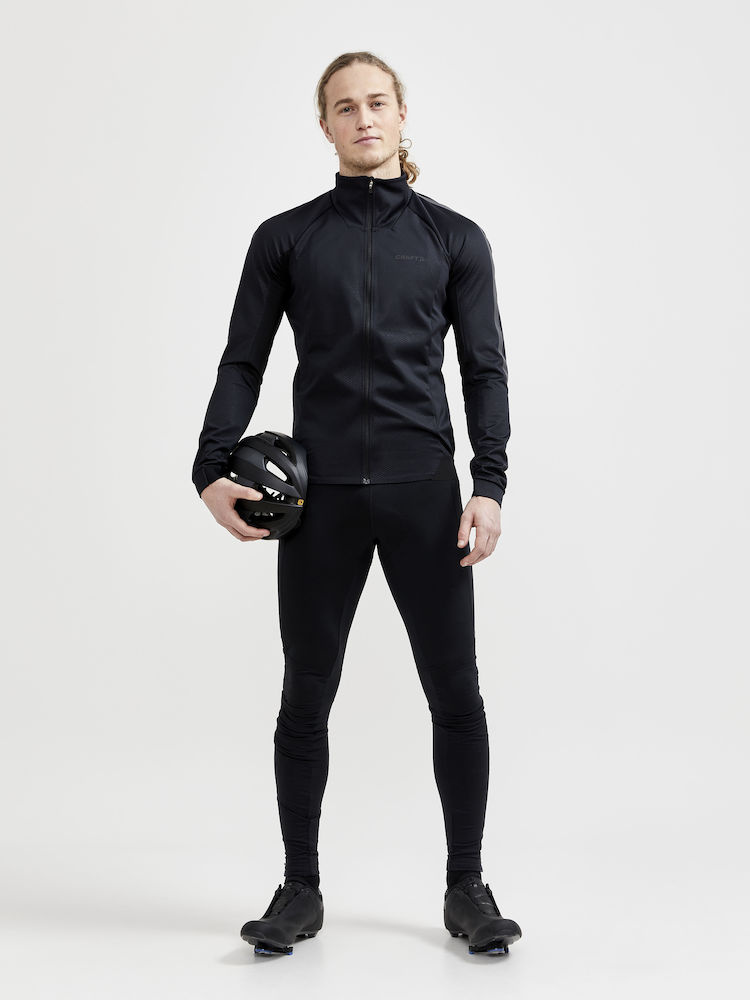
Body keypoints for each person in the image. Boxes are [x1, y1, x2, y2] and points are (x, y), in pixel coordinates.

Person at [192, 50, 522, 956]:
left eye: (377, 102)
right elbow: (242, 360)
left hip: (425, 496)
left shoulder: (455, 238)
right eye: (345, 107)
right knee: (306, 694)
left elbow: (485, 368)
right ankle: (299, 888)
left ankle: (467, 888)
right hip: (322, 502)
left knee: (455, 692)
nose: (364, 118)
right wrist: (209, 468)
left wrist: (489, 485)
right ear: (326, 125)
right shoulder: (286, 238)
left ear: (402, 113)